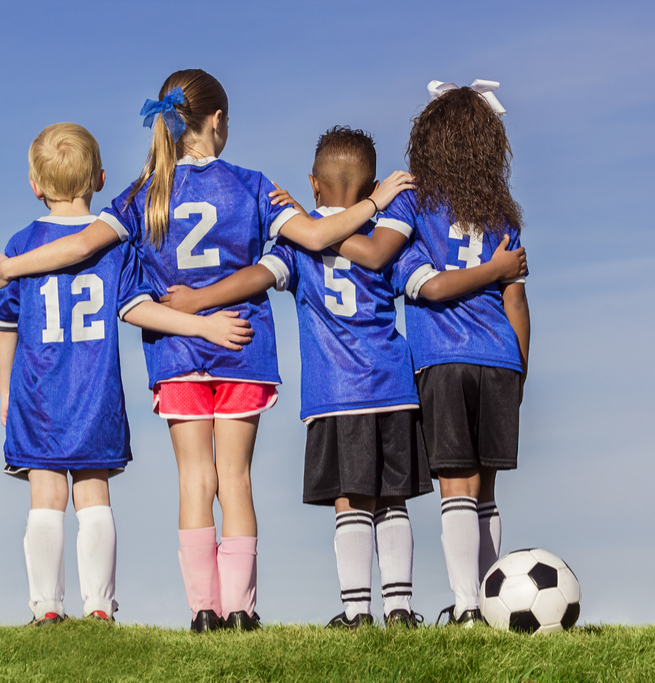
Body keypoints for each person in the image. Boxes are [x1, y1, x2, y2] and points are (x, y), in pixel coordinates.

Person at [0, 69, 412, 632]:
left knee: (195, 481)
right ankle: (242, 608)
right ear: (217, 121)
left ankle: (202, 612)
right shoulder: (253, 184)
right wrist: (376, 201)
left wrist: (13, 265)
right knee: (235, 480)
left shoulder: (142, 195)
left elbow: (82, 242)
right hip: (243, 347)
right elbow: (315, 238)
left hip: (175, 354)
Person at [160, 126, 525, 629]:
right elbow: (417, 282)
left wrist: (198, 300)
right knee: (392, 499)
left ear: (312, 184)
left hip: (335, 395)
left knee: (350, 502)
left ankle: (356, 611)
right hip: (395, 388)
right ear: (373, 184)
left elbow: (255, 278)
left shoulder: (299, 245)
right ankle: (400, 609)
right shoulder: (386, 244)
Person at [0, 122, 254, 627]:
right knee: (94, 492)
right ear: (100, 179)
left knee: (45, 494)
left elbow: (5, 326)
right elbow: (140, 310)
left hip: (38, 396)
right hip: (96, 395)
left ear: (35, 185)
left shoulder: (23, 246)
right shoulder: (113, 247)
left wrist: (6, 391)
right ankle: (99, 607)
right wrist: (202, 325)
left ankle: (46, 608)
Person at [383, 82, 531, 626]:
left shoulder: (415, 207)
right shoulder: (500, 215)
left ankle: (470, 604)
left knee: (457, 487)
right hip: (500, 359)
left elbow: (432, 289)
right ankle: (492, 607)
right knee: (486, 487)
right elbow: (517, 302)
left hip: (443, 360)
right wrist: (521, 370)